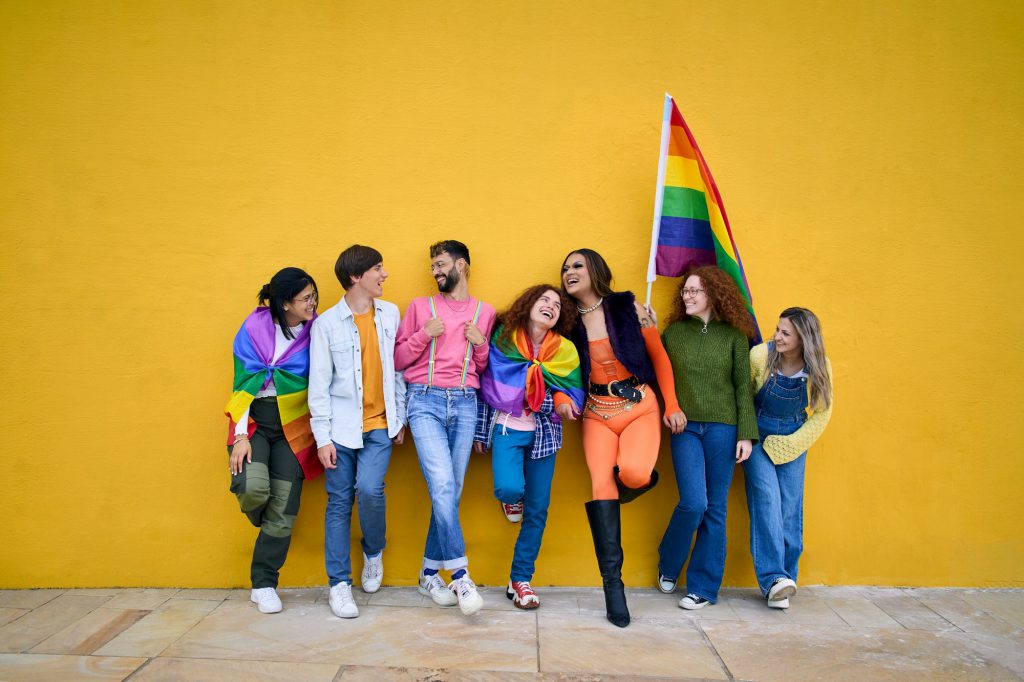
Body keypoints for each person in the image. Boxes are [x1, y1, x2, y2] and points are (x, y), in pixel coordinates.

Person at [560, 249, 685, 628]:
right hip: (596, 414)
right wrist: (564, 397)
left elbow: (659, 358)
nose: (569, 272)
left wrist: (671, 405)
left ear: (596, 269)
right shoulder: (566, 322)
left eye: (577, 265)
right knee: (601, 486)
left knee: (632, 474)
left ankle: (636, 482)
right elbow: (559, 371)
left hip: (639, 406)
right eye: (565, 268)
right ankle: (613, 587)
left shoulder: (629, 308)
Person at [395, 240, 497, 616]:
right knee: (441, 484)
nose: (436, 272)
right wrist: (425, 334)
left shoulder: (486, 312)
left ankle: (426, 572)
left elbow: (483, 369)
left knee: (450, 493)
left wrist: (481, 344)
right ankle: (460, 574)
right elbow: (398, 358)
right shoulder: (421, 308)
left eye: (441, 264)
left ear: (462, 265)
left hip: (466, 404)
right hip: (424, 401)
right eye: (432, 267)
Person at [308, 245, 407, 619]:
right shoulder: (327, 324)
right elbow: (318, 386)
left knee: (369, 489)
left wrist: (400, 417)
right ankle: (338, 585)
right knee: (337, 503)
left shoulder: (390, 313)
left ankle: (374, 550)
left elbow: (396, 370)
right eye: (378, 269)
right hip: (339, 429)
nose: (384, 275)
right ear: (355, 277)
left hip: (380, 426)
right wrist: (322, 439)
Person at [473, 285, 584, 610]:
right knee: (508, 488)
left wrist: (563, 403)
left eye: (557, 305)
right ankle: (513, 499)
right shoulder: (504, 340)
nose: (550, 306)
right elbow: (486, 386)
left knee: (537, 512)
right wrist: (482, 433)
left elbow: (571, 388)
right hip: (508, 427)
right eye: (544, 300)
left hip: (545, 434)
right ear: (529, 304)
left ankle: (520, 579)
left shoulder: (565, 350)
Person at [655, 265, 758, 611]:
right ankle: (669, 561)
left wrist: (746, 434)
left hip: (724, 429)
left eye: (695, 290)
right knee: (693, 503)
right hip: (685, 429)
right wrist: (648, 330)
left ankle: (703, 588)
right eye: (685, 290)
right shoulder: (673, 333)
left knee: (716, 509)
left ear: (714, 295)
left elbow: (744, 388)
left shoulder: (734, 336)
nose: (687, 295)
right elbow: (659, 376)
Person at [225, 267, 322, 614]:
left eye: (313, 296)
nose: (312, 303)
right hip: (254, 423)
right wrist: (239, 435)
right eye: (305, 298)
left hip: (294, 427)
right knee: (253, 489)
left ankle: (263, 583)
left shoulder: (316, 332)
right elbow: (241, 383)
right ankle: (263, 523)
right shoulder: (254, 327)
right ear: (284, 303)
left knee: (282, 512)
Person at [742, 307, 833, 609]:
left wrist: (792, 444)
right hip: (757, 435)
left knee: (791, 508)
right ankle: (773, 580)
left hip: (794, 439)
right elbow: (743, 398)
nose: (777, 337)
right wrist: (746, 435)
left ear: (803, 339)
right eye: (777, 330)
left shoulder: (820, 367)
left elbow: (822, 414)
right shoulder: (760, 357)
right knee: (766, 499)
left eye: (786, 333)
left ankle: (786, 579)